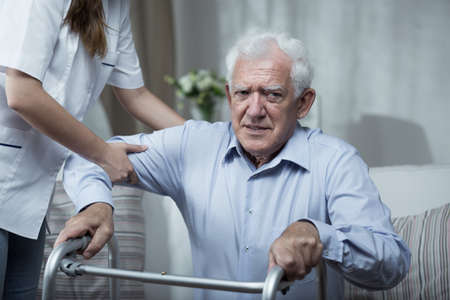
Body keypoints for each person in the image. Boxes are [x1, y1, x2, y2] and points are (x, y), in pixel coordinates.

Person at [56, 31, 411, 299]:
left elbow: (392, 264)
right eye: (243, 93)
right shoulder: (193, 145)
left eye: (272, 95)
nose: (254, 111)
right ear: (229, 96)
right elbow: (91, 155)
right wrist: (95, 204)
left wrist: (321, 235)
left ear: (303, 103)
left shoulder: (336, 161)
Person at [0, 0, 184, 298]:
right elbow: (22, 93)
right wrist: (103, 154)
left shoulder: (115, 8)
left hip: (29, 199)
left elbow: (136, 95)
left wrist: (212, 141)